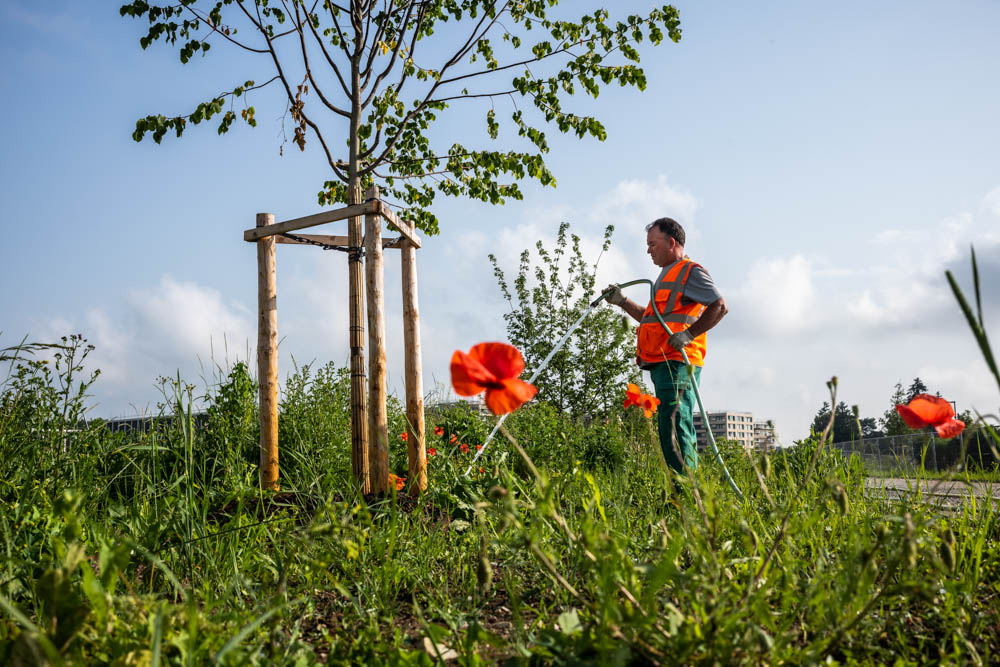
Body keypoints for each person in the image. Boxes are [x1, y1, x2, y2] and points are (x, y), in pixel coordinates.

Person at [604, 218, 728, 474]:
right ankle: (680, 492)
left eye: (652, 244)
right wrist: (622, 301)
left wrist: (689, 334)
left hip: (678, 362)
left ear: (671, 243)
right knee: (669, 426)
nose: (648, 250)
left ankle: (687, 496)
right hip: (664, 363)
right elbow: (653, 320)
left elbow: (720, 306)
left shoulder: (689, 271)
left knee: (675, 425)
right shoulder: (665, 277)